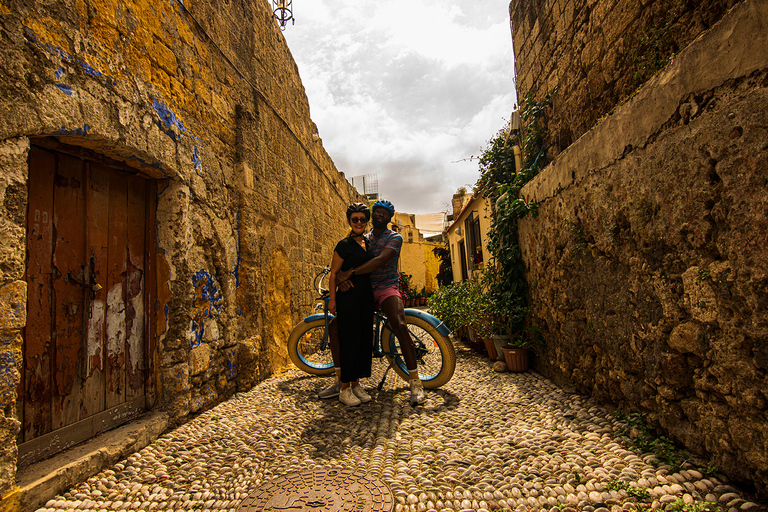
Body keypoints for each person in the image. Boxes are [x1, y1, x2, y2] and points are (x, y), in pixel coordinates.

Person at [319, 199, 426, 405]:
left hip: (386, 287)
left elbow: (380, 261)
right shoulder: (362, 238)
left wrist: (348, 273)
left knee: (399, 323)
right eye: (376, 211)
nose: (379, 215)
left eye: (384, 213)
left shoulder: (394, 237)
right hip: (364, 289)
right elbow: (344, 262)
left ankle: (415, 382)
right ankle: (342, 379)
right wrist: (342, 280)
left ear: (389, 217)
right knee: (335, 327)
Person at [327, 203, 376, 407]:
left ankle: (356, 384)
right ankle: (344, 388)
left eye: (362, 219)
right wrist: (332, 299)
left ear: (366, 222)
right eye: (354, 219)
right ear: (349, 221)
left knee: (364, 339)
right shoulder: (343, 245)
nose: (358, 223)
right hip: (348, 298)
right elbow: (333, 274)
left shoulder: (369, 243)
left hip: (366, 297)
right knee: (349, 339)